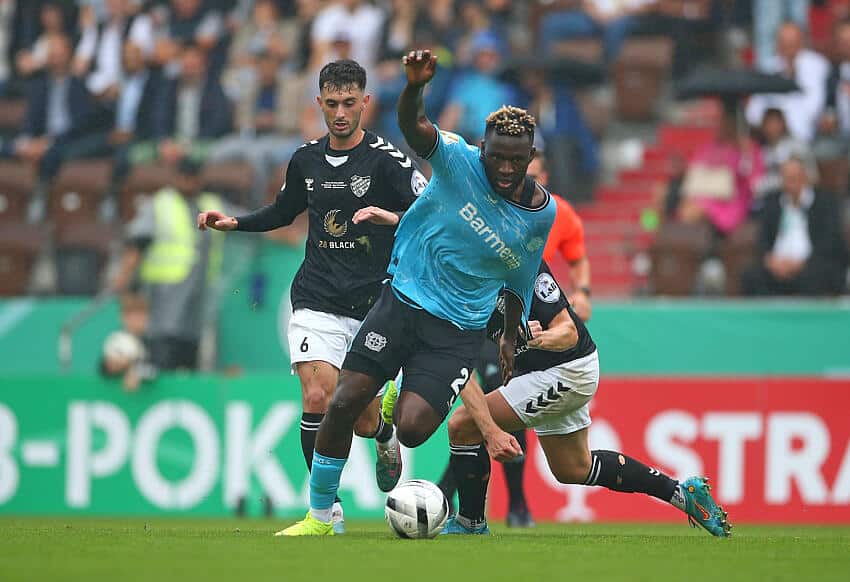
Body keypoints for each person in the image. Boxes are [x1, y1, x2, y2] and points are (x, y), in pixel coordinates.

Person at [278, 48, 556, 537]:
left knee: (412, 428)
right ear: (481, 149)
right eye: (497, 157)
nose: (505, 169)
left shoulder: (539, 212)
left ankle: (400, 405)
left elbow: (519, 277)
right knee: (342, 400)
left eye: (516, 161)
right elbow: (415, 126)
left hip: (457, 332)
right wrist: (414, 87)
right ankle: (322, 516)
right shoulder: (457, 160)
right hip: (401, 302)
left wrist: (510, 335)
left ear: (530, 158)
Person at [198, 59, 424, 533]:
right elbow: (284, 210)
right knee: (318, 397)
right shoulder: (305, 159)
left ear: (365, 103)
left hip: (373, 307)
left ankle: (383, 434)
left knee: (360, 420)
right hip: (316, 299)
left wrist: (390, 218)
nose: (340, 113)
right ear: (318, 103)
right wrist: (235, 223)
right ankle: (327, 513)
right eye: (332, 104)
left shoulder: (389, 162)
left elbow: (430, 217)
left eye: (349, 103)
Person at [442, 260, 732, 537]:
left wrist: (530, 339)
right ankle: (682, 494)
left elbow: (568, 332)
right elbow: (456, 364)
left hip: (567, 369)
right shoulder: (453, 291)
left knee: (462, 425)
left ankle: (470, 522)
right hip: (539, 372)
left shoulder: (523, 267)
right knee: (574, 468)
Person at [436, 153, 593, 527]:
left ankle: (500, 503)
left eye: (534, 176)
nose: (525, 186)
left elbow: (577, 256)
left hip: (529, 315)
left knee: (492, 408)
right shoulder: (492, 213)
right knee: (484, 407)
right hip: (492, 317)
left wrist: (582, 291)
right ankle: (480, 502)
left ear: (542, 176)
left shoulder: (557, 212)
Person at [113, 157, 226, 371]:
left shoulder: (212, 203)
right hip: (163, 299)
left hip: (197, 300)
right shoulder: (160, 203)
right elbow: (137, 243)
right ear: (176, 177)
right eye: (184, 176)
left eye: (192, 176)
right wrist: (123, 279)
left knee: (189, 358)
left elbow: (243, 220)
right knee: (161, 356)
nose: (188, 181)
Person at [742, 156, 849, 296]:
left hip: (809, 265)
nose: (791, 184)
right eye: (787, 179)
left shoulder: (825, 202)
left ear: (806, 178)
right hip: (777, 265)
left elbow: (830, 242)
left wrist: (800, 264)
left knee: (818, 276)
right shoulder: (773, 202)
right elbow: (763, 239)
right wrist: (771, 260)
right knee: (750, 276)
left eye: (795, 178)